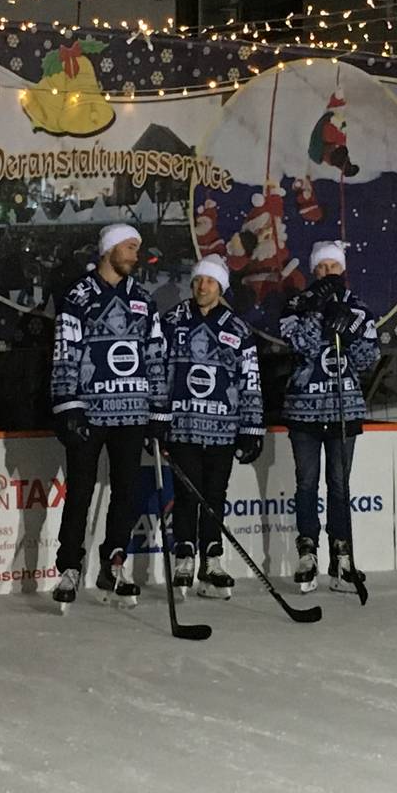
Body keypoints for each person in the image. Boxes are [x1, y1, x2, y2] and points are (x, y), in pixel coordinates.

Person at [51, 223, 169, 608]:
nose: (136, 255)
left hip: (132, 413)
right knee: (80, 492)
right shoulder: (79, 295)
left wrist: (159, 407)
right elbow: (65, 351)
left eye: (137, 248)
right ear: (110, 249)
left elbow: (155, 354)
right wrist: (67, 403)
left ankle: (113, 563)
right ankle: (69, 567)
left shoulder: (143, 299)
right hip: (89, 411)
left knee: (127, 491)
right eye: (130, 247)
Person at [160, 256, 265, 599]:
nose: (201, 286)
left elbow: (250, 381)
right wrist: (156, 418)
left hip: (223, 427)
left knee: (215, 495)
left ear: (221, 287)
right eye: (197, 280)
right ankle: (185, 558)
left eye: (209, 281)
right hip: (183, 425)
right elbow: (156, 370)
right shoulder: (173, 321)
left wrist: (252, 427)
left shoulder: (237, 330)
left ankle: (212, 559)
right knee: (187, 493)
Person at [282, 241, 379, 595]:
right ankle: (307, 552)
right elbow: (300, 347)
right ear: (312, 271)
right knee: (306, 484)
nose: (326, 274)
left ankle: (343, 555)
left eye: (332, 268)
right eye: (320, 269)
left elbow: (369, 357)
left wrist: (348, 329)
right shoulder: (297, 304)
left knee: (340, 485)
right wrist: (317, 311)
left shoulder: (359, 308)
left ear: (343, 270)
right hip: (304, 411)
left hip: (343, 409)